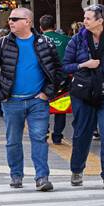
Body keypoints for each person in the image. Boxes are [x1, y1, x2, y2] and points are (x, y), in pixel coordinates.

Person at [0, 7, 63, 191]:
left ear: (27, 21)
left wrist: (46, 93)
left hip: (38, 101)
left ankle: (42, 178)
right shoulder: (2, 44)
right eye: (10, 19)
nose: (10, 21)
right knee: (13, 140)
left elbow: (58, 70)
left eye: (15, 18)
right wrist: (1, 96)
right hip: (12, 101)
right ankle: (16, 175)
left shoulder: (45, 42)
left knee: (39, 138)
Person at [62, 4, 104, 190]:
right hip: (83, 94)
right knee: (82, 134)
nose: (84, 21)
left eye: (88, 18)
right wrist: (84, 64)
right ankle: (77, 169)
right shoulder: (76, 40)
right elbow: (65, 66)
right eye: (84, 17)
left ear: (100, 21)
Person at [39, 15, 71, 143]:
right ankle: (57, 135)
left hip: (43, 78)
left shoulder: (37, 40)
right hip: (63, 78)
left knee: (42, 105)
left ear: (41, 28)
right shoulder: (66, 40)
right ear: (54, 26)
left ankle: (44, 131)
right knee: (60, 107)